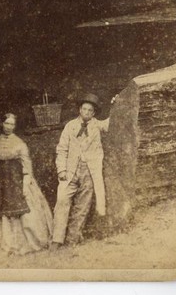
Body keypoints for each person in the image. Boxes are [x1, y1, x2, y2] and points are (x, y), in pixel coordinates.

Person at [0, 113, 52, 255]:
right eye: (6, 123)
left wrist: (26, 182)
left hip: (16, 179)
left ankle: (22, 243)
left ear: (15, 126)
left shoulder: (20, 143)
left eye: (12, 124)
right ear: (2, 124)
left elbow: (26, 165)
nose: (9, 127)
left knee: (24, 208)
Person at [50, 93, 113, 251]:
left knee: (82, 206)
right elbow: (62, 149)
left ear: (93, 113)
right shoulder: (70, 126)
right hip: (70, 171)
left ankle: (73, 238)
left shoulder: (97, 125)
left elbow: (113, 122)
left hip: (89, 172)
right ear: (79, 110)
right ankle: (57, 239)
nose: (86, 112)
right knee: (62, 201)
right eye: (84, 109)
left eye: (90, 110)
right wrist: (62, 170)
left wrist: (116, 103)